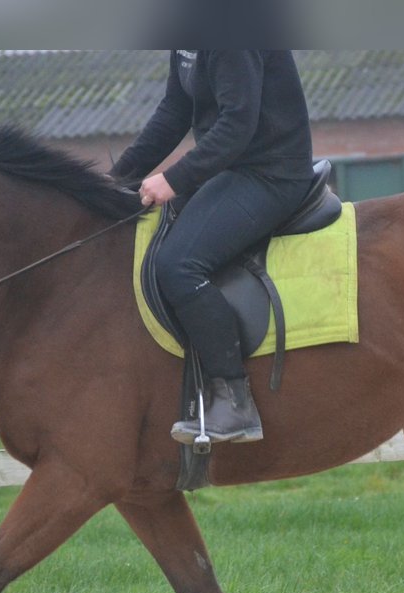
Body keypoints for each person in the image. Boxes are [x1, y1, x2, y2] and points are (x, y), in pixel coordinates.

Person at [110, 50, 315, 445]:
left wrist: (173, 178)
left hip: (271, 173)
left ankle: (235, 400)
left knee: (178, 265)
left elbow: (238, 124)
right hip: (230, 170)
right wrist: (115, 179)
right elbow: (174, 109)